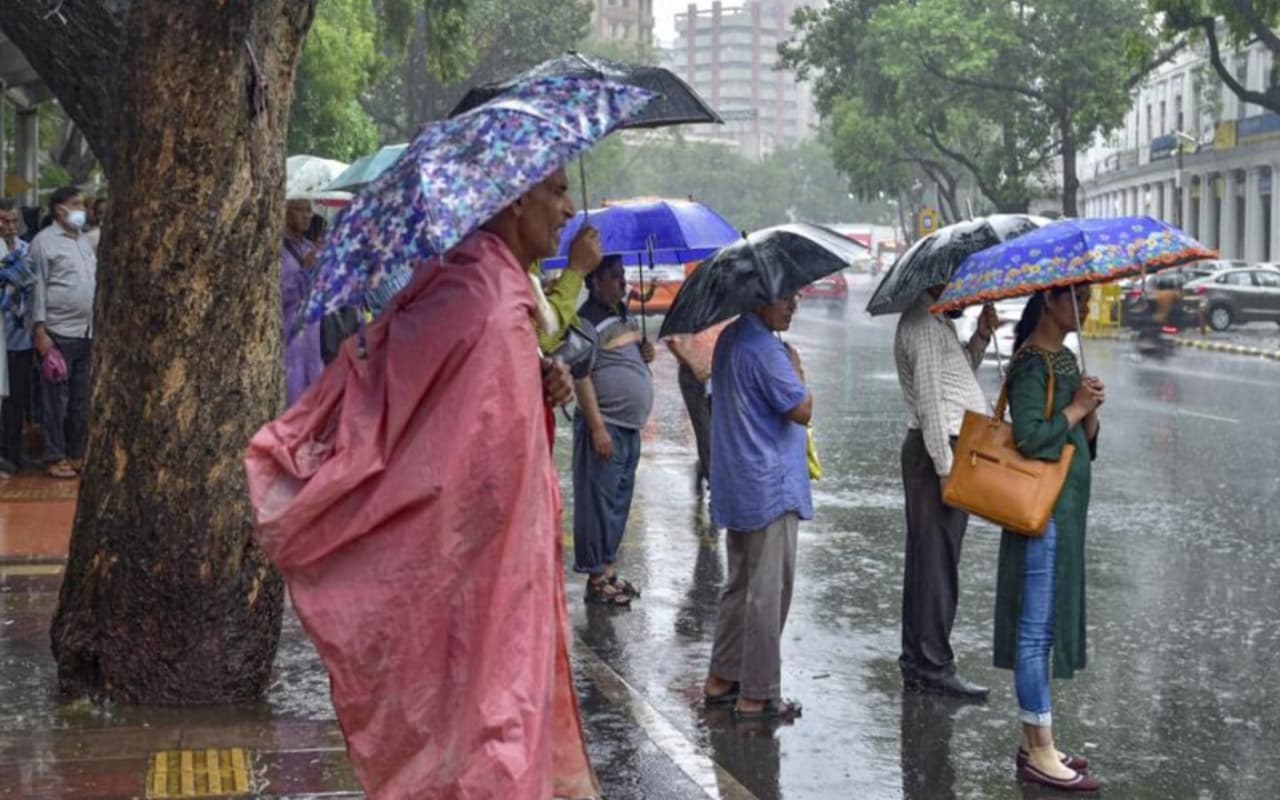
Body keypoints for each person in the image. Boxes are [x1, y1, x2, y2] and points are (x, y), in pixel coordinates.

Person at [244, 168, 597, 799]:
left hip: (505, 563)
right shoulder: (478, 297)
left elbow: (489, 413)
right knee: (484, 721)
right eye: (557, 191)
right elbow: (407, 412)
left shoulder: (496, 293)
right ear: (515, 198)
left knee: (495, 710)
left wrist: (544, 375)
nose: (568, 208)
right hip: (473, 564)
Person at [997, 284, 1103, 792]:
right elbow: (1032, 438)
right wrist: (1077, 409)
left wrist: (1091, 408)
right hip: (1042, 512)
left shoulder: (1063, 361)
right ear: (1051, 302)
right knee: (1035, 632)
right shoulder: (1031, 364)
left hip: (1065, 509)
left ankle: (1039, 740)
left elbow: (1082, 444)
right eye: (1078, 299)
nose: (1085, 308)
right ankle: (1039, 751)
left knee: (1045, 626)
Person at [701, 293, 811, 720]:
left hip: (741, 483)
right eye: (785, 297)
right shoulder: (768, 349)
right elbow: (801, 408)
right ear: (760, 297)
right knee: (769, 592)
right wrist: (797, 369)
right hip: (771, 486)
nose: (793, 305)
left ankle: (722, 678)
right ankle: (758, 694)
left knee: (741, 585)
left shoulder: (731, 337)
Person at [894, 289, 997, 699]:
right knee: (937, 563)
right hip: (938, 451)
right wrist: (943, 466)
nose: (967, 294)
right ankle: (934, 663)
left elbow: (956, 380)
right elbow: (932, 402)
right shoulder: (921, 324)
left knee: (929, 560)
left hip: (947, 448)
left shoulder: (939, 321)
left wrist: (981, 338)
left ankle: (918, 660)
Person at [572, 254, 655, 605]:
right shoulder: (586, 319)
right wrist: (597, 428)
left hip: (629, 428)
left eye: (623, 275)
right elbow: (580, 373)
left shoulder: (622, 314)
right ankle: (595, 577)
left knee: (618, 502)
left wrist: (645, 353)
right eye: (615, 276)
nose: (623, 282)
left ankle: (608, 570)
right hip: (605, 428)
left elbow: (627, 357)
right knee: (597, 504)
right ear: (595, 282)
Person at [30, 186, 96, 480]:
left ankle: (75, 452)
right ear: (59, 209)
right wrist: (40, 330)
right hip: (57, 333)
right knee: (56, 401)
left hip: (86, 332)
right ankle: (54, 456)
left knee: (81, 400)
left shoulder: (84, 242)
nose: (83, 209)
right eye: (77, 204)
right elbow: (37, 288)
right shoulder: (43, 243)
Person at [665, 318, 729, 497]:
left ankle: (704, 466)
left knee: (719, 433)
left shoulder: (727, 312)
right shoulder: (692, 312)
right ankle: (716, 487)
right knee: (705, 431)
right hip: (694, 377)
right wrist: (694, 366)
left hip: (719, 375)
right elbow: (672, 342)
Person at [281, 197, 324, 405]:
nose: (307, 215)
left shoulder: (309, 248)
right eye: (301, 210)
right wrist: (304, 272)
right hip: (289, 341)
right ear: (286, 211)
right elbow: (279, 295)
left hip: (313, 340)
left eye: (310, 211)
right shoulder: (276, 251)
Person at [0, 198, 32, 473]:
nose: (9, 227)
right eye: (4, 221)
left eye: (12, 221)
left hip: (21, 336)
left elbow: (31, 283)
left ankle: (14, 449)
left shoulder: (25, 250)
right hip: (2, 333)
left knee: (17, 398)